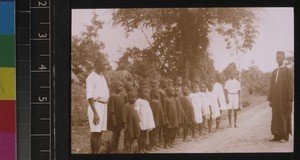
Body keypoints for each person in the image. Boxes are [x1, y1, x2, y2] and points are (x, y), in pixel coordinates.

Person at [267, 51, 293, 143]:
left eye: (280, 57)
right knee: (276, 116)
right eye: (277, 58)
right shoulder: (274, 71)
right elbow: (271, 86)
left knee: (284, 116)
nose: (279, 59)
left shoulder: (288, 71)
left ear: (284, 58)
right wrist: (270, 99)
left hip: (284, 99)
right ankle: (276, 135)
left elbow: (290, 85)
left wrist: (290, 99)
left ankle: (284, 136)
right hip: (275, 99)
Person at [86, 56, 109, 154]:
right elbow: (90, 97)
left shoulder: (102, 76)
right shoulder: (91, 77)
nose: (106, 65)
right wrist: (95, 113)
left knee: (100, 132)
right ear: (97, 64)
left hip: (103, 106)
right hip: (96, 106)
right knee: (95, 132)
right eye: (104, 63)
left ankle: (98, 153)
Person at [107, 80, 126, 153]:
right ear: (114, 87)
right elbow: (111, 110)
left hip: (120, 119)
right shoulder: (112, 97)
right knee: (115, 134)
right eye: (119, 85)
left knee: (118, 134)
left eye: (121, 86)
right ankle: (113, 150)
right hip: (115, 119)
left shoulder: (122, 97)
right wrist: (114, 120)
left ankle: (116, 149)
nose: (121, 87)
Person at [135, 86, 155, 153]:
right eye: (144, 92)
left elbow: (148, 113)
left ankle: (143, 148)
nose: (146, 93)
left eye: (147, 92)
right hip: (141, 120)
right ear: (140, 93)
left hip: (146, 121)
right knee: (141, 135)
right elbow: (137, 112)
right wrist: (139, 121)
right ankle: (140, 149)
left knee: (145, 134)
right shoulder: (138, 101)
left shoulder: (146, 102)